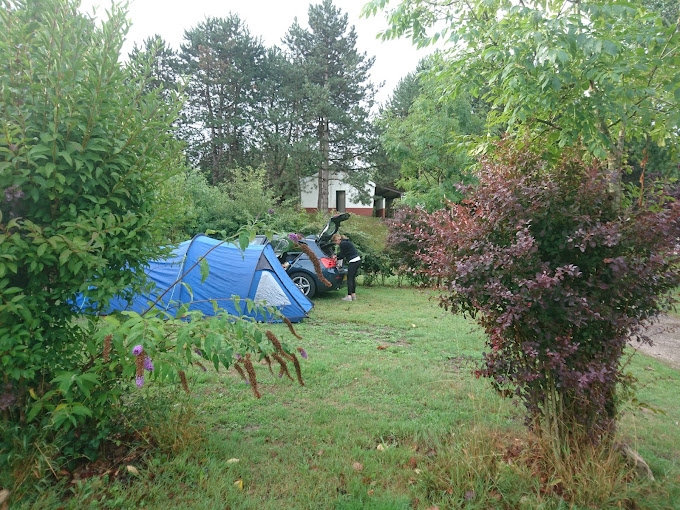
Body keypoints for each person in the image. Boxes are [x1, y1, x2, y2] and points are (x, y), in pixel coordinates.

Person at [332, 233, 361, 301]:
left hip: (353, 261)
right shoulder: (346, 242)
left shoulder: (342, 244)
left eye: (335, 242)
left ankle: (349, 296)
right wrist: (337, 256)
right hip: (358, 260)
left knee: (349, 279)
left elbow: (342, 255)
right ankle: (353, 295)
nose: (336, 244)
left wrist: (336, 257)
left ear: (337, 240)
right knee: (352, 278)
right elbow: (344, 253)